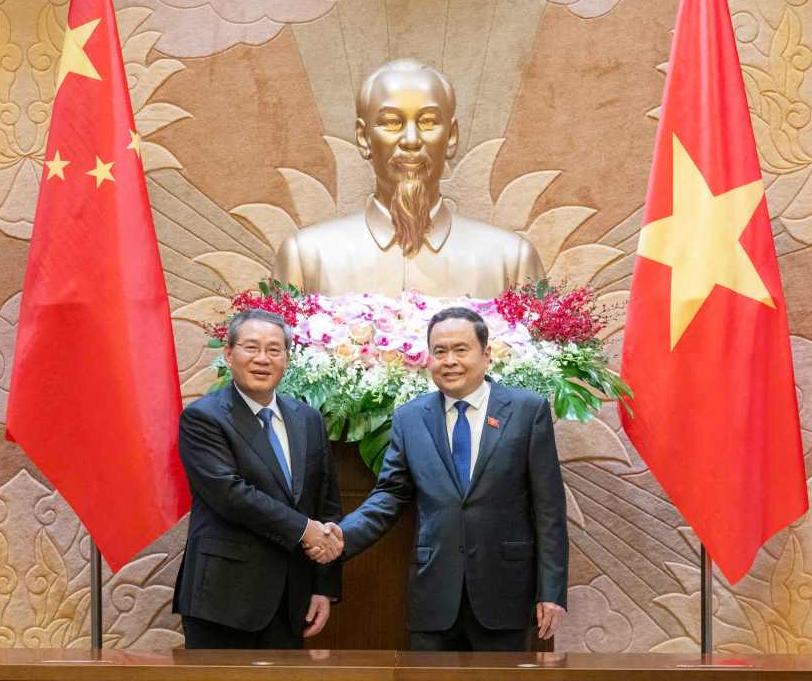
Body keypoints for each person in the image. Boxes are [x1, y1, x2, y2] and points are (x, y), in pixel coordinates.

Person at [319, 307, 568, 650]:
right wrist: (341, 536)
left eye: (461, 349)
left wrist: (552, 592)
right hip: (433, 594)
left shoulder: (527, 411)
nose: (450, 360)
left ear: (486, 354)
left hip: (505, 593)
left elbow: (549, 510)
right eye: (439, 351)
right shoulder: (410, 418)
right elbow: (388, 496)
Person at [273, 59, 543, 298]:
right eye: (392, 122)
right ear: (363, 138)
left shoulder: (510, 261)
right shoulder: (306, 257)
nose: (411, 141)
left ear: (451, 137)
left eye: (428, 122)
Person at [173, 309, 344, 648]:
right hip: (224, 600)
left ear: (287, 358)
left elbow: (327, 502)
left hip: (290, 601)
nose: (262, 359)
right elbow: (231, 495)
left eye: (274, 349)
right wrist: (304, 529)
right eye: (251, 348)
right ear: (228, 354)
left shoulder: (307, 418)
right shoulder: (203, 418)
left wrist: (324, 587)